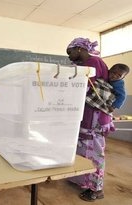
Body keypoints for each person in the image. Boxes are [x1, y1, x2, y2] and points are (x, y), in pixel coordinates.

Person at [66, 37, 115, 202]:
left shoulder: (94, 62)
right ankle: (83, 181)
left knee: (95, 153)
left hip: (96, 118)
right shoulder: (83, 65)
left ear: (79, 49)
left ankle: (96, 188)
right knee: (83, 149)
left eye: (70, 52)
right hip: (87, 115)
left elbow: (84, 87)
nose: (69, 56)